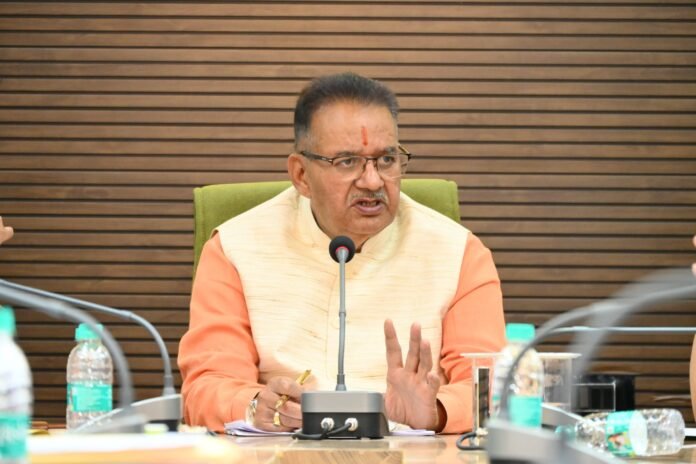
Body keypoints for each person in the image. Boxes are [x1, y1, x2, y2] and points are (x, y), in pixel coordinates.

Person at [178, 72, 506, 434]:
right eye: (347, 161)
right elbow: (206, 387)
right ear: (301, 175)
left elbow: (489, 387)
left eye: (386, 159)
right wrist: (257, 406)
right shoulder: (234, 248)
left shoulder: (459, 253)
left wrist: (436, 412)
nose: (373, 181)